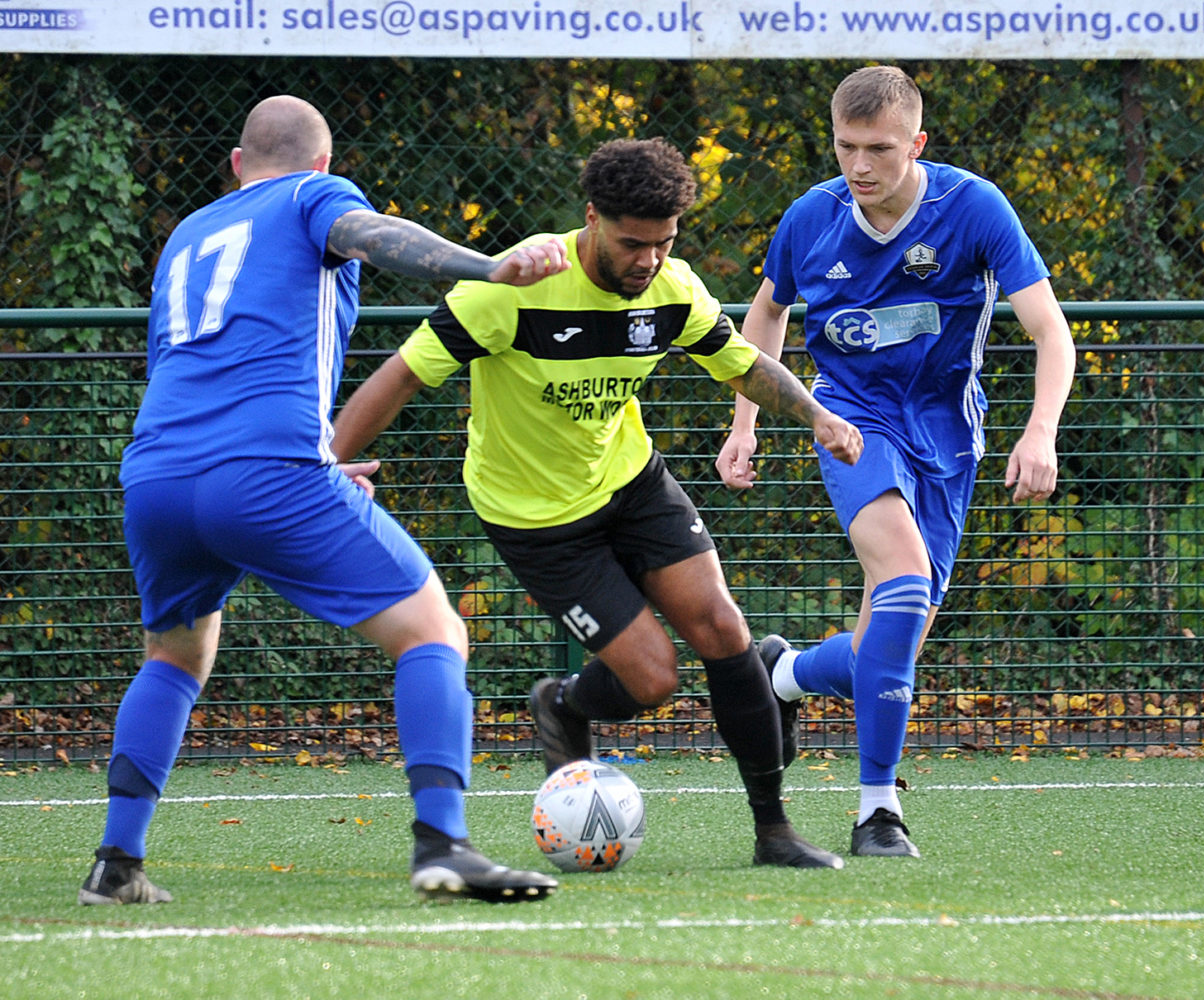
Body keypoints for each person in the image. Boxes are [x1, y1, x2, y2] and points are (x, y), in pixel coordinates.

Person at [79, 95, 570, 906]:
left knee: (174, 656)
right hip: (264, 472)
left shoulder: (188, 234)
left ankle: (117, 863)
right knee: (433, 630)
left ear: (236, 165)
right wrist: (490, 268)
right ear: (324, 165)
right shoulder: (313, 197)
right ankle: (443, 842)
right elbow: (376, 239)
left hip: (158, 480)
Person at [332, 137, 864, 870]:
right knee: (651, 681)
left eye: (663, 243)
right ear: (590, 219)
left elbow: (744, 364)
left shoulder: (672, 290)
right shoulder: (512, 286)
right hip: (535, 517)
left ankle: (773, 831)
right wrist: (325, 463)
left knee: (720, 627)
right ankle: (565, 704)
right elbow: (399, 376)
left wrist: (817, 417)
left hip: (630, 482)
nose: (647, 260)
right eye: (631, 243)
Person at [717, 66, 1075, 859]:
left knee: (895, 639)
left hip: (947, 433)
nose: (859, 166)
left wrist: (1039, 430)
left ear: (915, 143)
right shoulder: (812, 217)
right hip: (849, 419)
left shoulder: (972, 207)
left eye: (878, 148)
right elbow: (766, 314)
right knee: (904, 585)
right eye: (845, 146)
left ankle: (782, 676)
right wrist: (745, 420)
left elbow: (1050, 331)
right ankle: (876, 810)